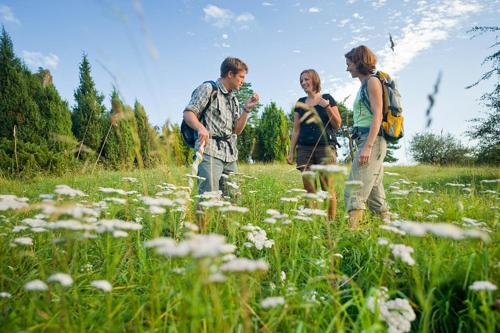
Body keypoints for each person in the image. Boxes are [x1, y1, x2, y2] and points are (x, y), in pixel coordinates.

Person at [183, 57, 259, 196]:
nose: (243, 81)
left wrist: (246, 110)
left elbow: (237, 130)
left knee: (233, 200)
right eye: (241, 77)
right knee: (209, 200)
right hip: (209, 152)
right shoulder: (208, 89)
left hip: (230, 156)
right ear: (230, 74)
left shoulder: (234, 100)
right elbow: (188, 113)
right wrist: (201, 128)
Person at [287, 69, 342, 220]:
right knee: (309, 189)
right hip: (304, 149)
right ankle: (312, 221)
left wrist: (327, 107)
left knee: (327, 188)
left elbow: (337, 124)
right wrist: (291, 151)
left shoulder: (328, 98)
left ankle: (330, 223)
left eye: (306, 79)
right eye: (301, 81)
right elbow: (296, 129)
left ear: (315, 80)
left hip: (325, 148)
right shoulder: (300, 103)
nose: (304, 83)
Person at [344, 45, 389, 228]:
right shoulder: (364, 85)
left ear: (358, 62)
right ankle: (390, 231)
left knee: (354, 191)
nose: (347, 68)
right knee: (375, 195)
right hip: (367, 139)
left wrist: (368, 147)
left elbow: (377, 115)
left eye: (349, 64)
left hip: (372, 140)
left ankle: (352, 235)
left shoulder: (372, 82)